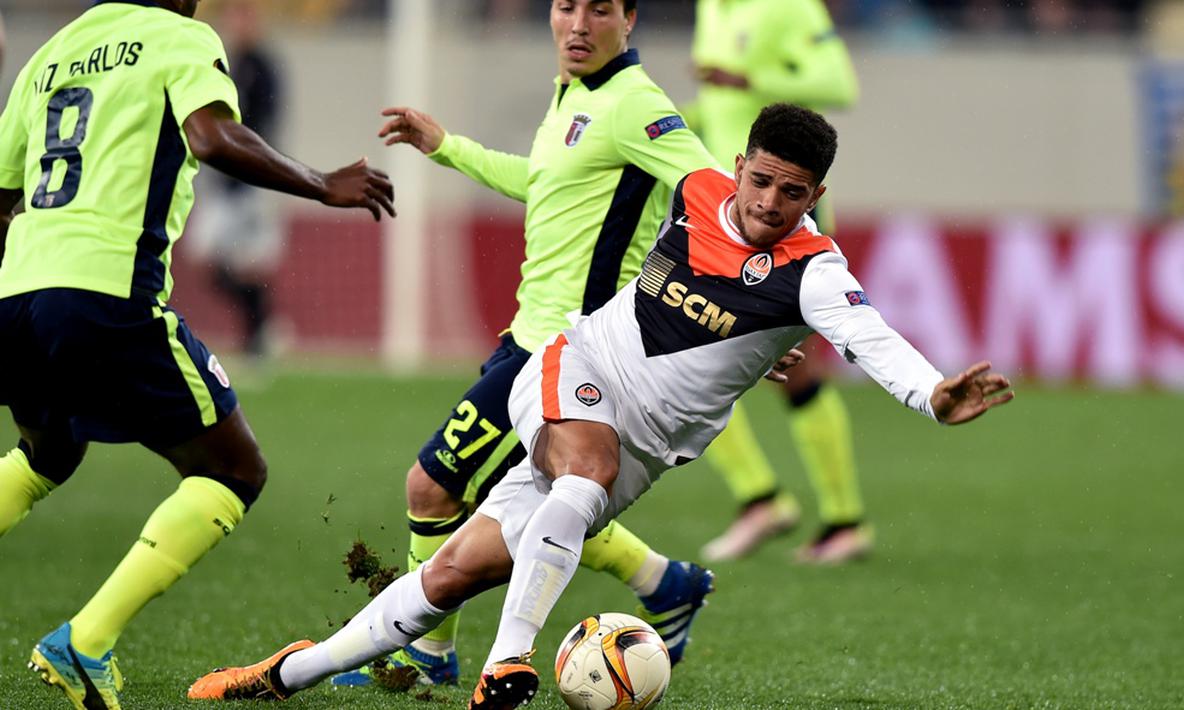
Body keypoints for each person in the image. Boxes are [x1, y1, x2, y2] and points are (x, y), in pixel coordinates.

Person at [187, 104, 1013, 709]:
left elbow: (869, 336)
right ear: (736, 166)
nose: (768, 203)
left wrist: (929, 394)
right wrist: (453, 148)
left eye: (791, 193)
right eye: (759, 181)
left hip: (643, 453)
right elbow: (557, 183)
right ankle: (508, 664)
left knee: (450, 575)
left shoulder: (814, 271)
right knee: (585, 467)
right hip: (570, 368)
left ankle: (285, 673)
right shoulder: (690, 189)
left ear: (815, 194)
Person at [0, 1, 394, 708]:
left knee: (46, 453)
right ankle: (85, 642)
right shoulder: (180, 37)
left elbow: (1, 195)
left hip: (17, 294)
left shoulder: (53, 52)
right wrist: (321, 185)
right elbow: (212, 138)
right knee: (234, 469)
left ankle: (84, 643)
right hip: (105, 292)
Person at [327, 0, 722, 688]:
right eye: (565, 6)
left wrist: (746, 298)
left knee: (432, 485)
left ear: (628, 19)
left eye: (598, 10)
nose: (577, 24)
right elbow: (542, 185)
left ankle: (428, 656)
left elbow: (712, 195)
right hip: (527, 339)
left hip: (567, 352)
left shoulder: (636, 107)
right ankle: (663, 582)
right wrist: (446, 146)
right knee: (547, 496)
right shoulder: (575, 94)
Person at [689, 0, 872, 564]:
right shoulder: (711, 8)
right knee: (692, 349)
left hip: (782, 216)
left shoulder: (789, 7)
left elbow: (840, 83)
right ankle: (764, 500)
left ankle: (839, 518)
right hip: (727, 217)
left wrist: (752, 78)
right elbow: (724, 109)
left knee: (794, 368)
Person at [187, 0, 285, 359]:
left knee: (248, 263)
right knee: (206, 258)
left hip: (251, 184)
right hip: (225, 183)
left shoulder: (263, 67)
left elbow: (267, 122)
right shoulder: (226, 64)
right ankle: (263, 325)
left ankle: (258, 336)